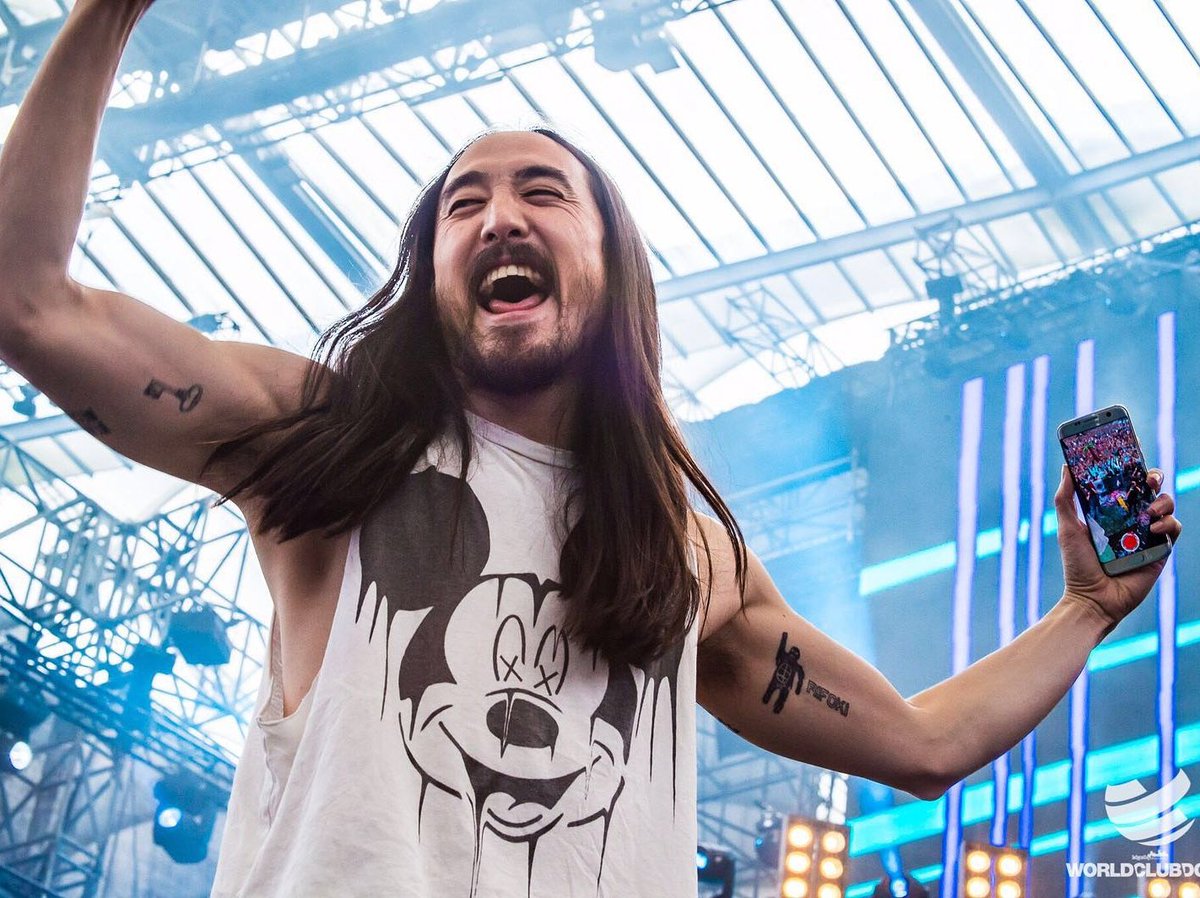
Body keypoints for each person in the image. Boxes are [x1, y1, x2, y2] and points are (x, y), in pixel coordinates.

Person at [0, 2, 1183, 897]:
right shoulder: (327, 440)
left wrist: (1087, 608)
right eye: (464, 204)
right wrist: (110, 11)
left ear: (613, 268)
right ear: (431, 275)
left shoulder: (688, 558)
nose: (500, 216)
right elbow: (27, 302)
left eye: (541, 192)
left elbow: (924, 746)